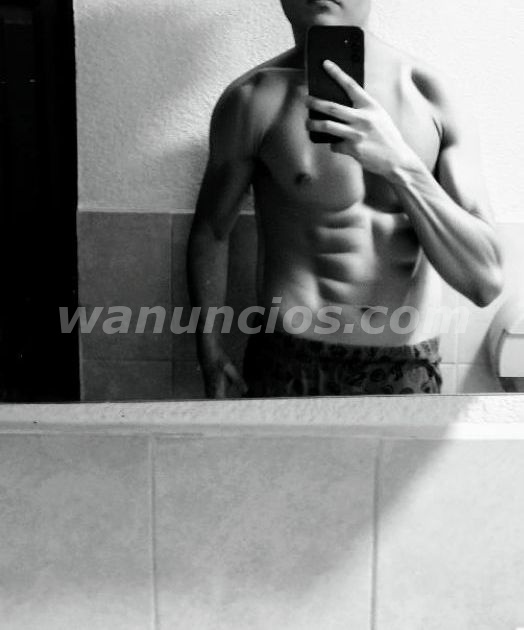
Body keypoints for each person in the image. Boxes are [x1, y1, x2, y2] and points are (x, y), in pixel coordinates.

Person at [186, 0, 504, 398]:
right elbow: (211, 233)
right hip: (288, 360)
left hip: (403, 366)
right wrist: (209, 349)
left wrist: (401, 165)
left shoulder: (429, 96)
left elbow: (485, 282)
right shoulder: (252, 99)